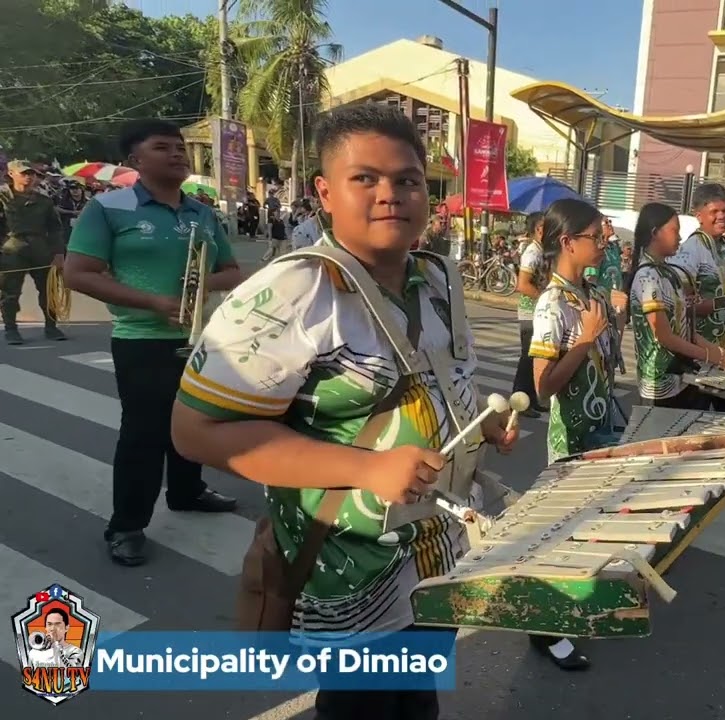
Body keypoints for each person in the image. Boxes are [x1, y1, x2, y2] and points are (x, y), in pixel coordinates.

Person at [170, 104, 517, 720]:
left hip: (438, 552)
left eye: (408, 180)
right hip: (352, 569)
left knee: (416, 703)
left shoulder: (437, 277)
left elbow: (443, 378)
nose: (391, 195)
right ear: (325, 193)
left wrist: (479, 425)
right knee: (360, 708)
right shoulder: (293, 291)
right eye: (366, 179)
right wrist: (363, 469)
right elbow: (195, 431)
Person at [63, 120, 243, 567]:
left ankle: (187, 491)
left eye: (180, 147)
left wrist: (198, 288)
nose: (178, 154)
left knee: (195, 421)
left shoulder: (201, 212)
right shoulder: (108, 209)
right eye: (163, 147)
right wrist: (153, 302)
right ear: (135, 161)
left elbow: (232, 271)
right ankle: (126, 526)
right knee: (143, 435)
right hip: (141, 340)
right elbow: (78, 274)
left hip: (199, 338)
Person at [527, 198, 628, 671]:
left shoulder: (592, 294)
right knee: (563, 536)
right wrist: (585, 338)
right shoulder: (551, 304)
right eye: (596, 236)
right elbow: (543, 387)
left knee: (589, 532)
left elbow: (606, 368)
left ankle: (568, 611)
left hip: (602, 430)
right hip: (572, 440)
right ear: (568, 242)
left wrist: (614, 321)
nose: (605, 243)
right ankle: (544, 629)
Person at [628, 203, 725, 410]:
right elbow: (664, 336)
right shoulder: (647, 276)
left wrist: (723, 354)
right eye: (675, 231)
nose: (680, 238)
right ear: (656, 233)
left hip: (683, 379)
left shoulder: (668, 273)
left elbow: (686, 330)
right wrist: (717, 357)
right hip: (659, 384)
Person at [673, 183, 725, 410]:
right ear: (699, 216)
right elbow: (680, 309)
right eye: (714, 212)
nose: (722, 217)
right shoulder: (690, 249)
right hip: (703, 355)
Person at [1, 159, 67, 345]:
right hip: (11, 249)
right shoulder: (3, 198)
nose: (28, 177)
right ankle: (11, 329)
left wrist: (59, 253)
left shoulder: (44, 201)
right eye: (23, 173)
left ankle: (51, 326)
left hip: (40, 248)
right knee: (10, 292)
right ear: (11, 174)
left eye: (31, 173)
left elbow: (55, 228)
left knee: (49, 289)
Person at [513, 211, 548, 418]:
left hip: (538, 313)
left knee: (535, 358)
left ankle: (532, 400)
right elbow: (522, 284)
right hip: (529, 313)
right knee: (527, 359)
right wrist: (543, 297)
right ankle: (520, 403)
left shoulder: (542, 251)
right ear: (539, 229)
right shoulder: (532, 252)